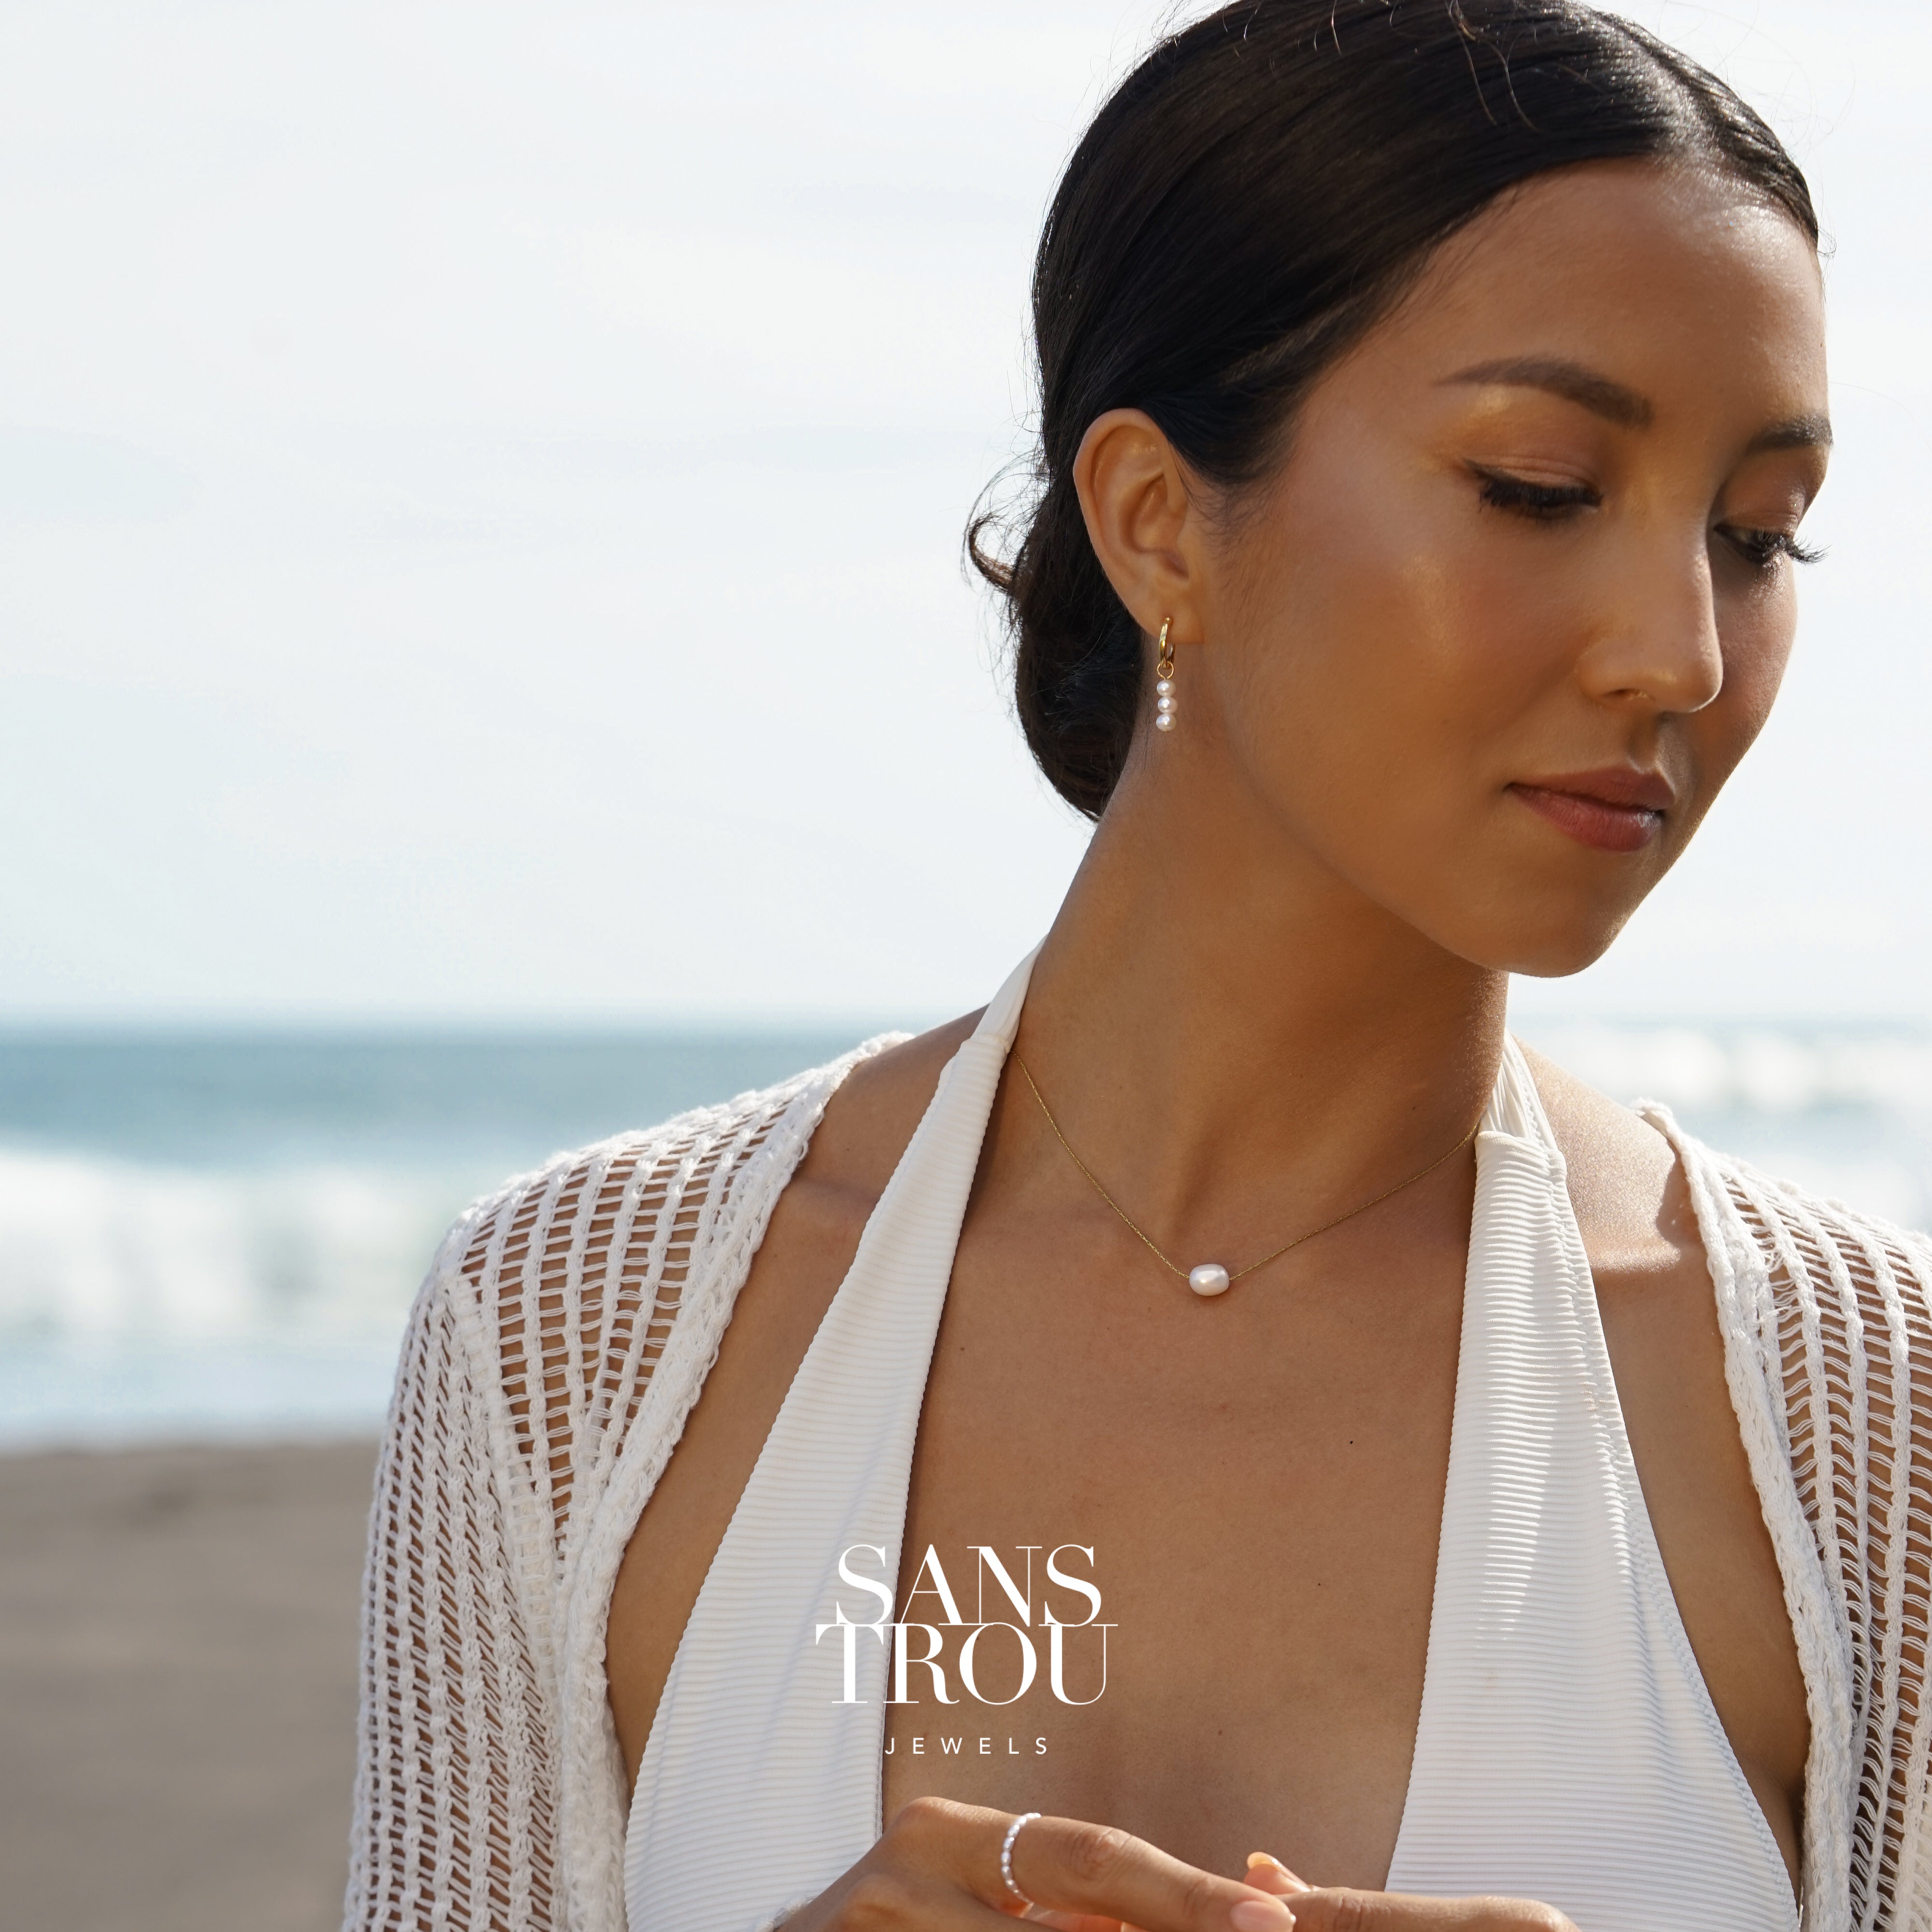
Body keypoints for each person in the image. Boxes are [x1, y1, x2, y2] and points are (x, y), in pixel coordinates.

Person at [343, 5, 1932, 1931]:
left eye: (1760, 537)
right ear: (1156, 522)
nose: (1679, 652)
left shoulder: (1852, 1405)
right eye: (1538, 484)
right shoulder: (586, 1337)